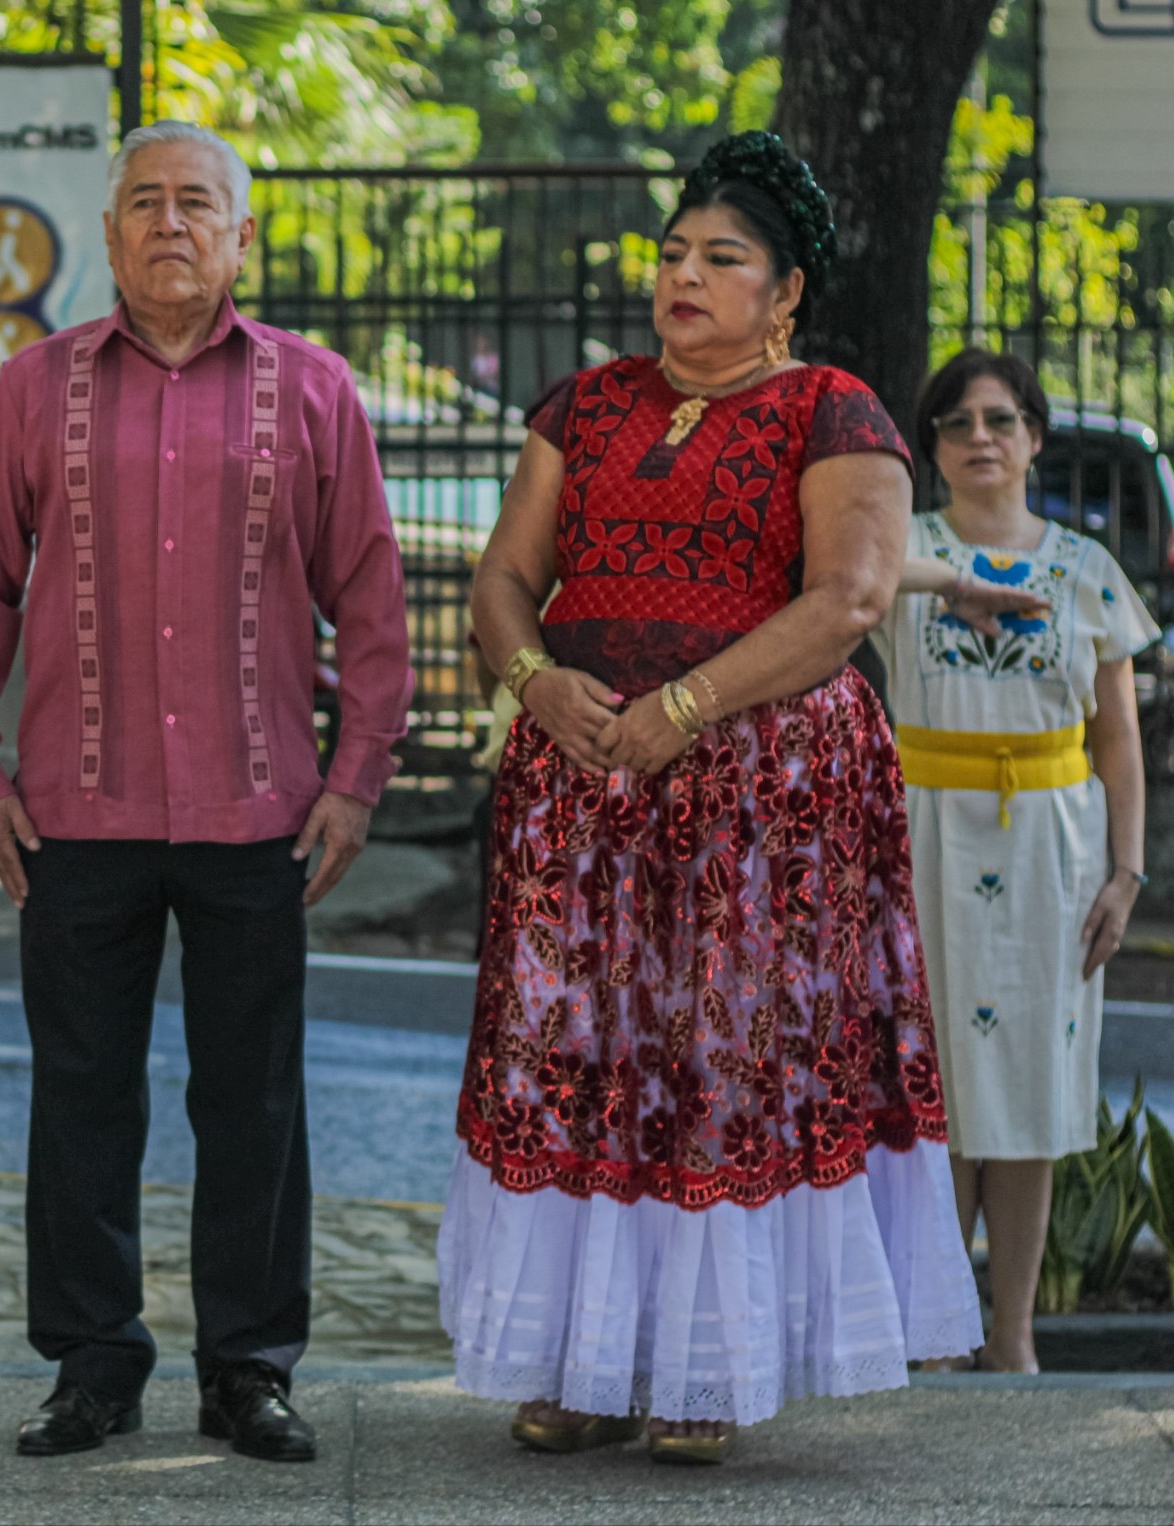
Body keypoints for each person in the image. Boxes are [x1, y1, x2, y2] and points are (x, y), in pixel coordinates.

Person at [445, 131, 982, 1465]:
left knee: (718, 1067)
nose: (684, 273)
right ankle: (581, 1364)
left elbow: (849, 599)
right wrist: (535, 678)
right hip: (582, 784)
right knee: (582, 1066)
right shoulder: (583, 405)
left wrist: (684, 710)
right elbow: (502, 577)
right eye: (673, 252)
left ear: (785, 291)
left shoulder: (833, 411)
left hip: (759, 796)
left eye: (721, 258)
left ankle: (704, 1371)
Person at [0, 121, 413, 1465]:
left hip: (260, 815)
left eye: (196, 202)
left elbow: (370, 599)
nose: (168, 223)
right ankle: (93, 1363)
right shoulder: (35, 388)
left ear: (241, 234)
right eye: (142, 201)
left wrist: (357, 779)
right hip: (74, 814)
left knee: (251, 1097)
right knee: (83, 1091)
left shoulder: (314, 393)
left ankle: (248, 1364)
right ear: (109, 231)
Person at [871, 348, 1156, 1374]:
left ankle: (1013, 1330)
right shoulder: (906, 547)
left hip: (1050, 842)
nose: (978, 437)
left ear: (1033, 435)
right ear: (932, 447)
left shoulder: (1084, 569)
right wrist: (953, 577)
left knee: (1028, 1086)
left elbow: (1117, 736)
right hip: (926, 832)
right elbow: (846, 576)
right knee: (936, 1081)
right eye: (954, 422)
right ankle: (940, 1327)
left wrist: (1125, 871)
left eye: (998, 418)